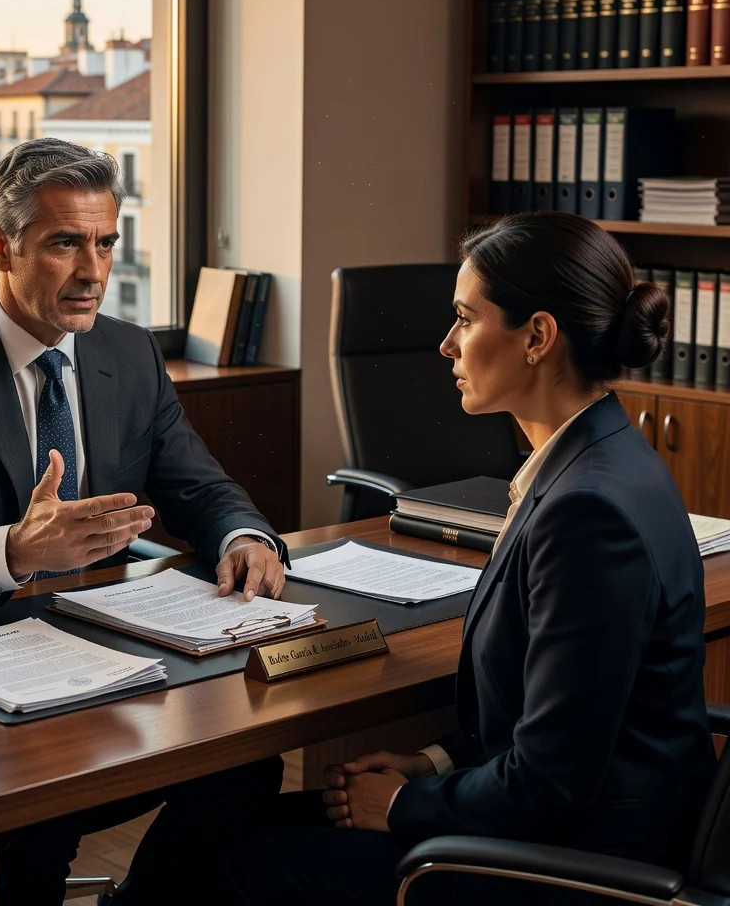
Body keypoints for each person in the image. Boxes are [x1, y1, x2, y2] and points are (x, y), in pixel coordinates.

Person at [0, 137, 289, 905]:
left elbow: (199, 486)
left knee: (247, 763)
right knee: (33, 826)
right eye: (65, 244)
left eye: (106, 243)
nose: (93, 272)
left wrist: (245, 536)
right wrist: (11, 552)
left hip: (103, 657)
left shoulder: (127, 352)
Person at [223, 212, 718, 905]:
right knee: (235, 835)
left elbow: (550, 779)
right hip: (558, 819)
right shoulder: (600, 456)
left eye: (465, 317)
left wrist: (400, 806)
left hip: (573, 862)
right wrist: (430, 761)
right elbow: (542, 711)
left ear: (538, 337)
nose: (447, 343)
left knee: (243, 864)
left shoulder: (587, 512)